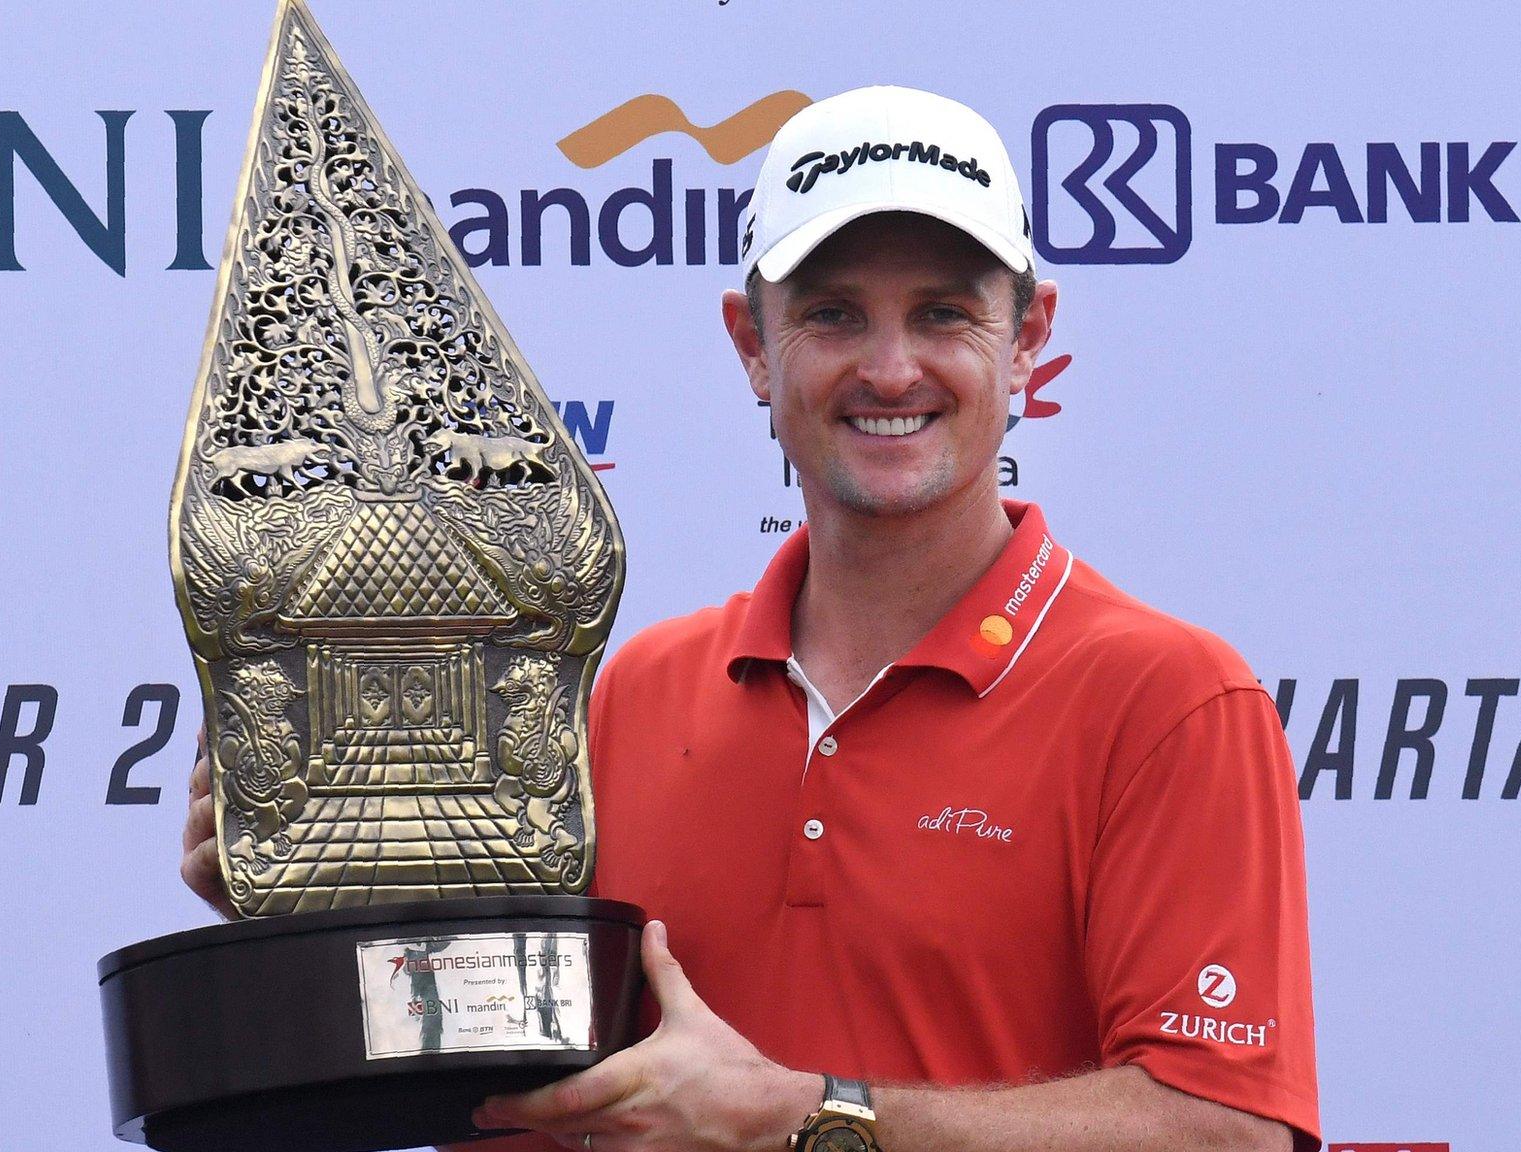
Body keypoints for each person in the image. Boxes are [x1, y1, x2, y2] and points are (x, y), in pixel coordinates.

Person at [185, 85, 1320, 1152]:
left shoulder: (1167, 701)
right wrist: (326, 898)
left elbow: (1225, 1131)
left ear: (1026, 339)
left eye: (942, 314)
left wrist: (806, 1118)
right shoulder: (635, 691)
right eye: (831, 314)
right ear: (749, 344)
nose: (888, 368)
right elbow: (514, 1098)